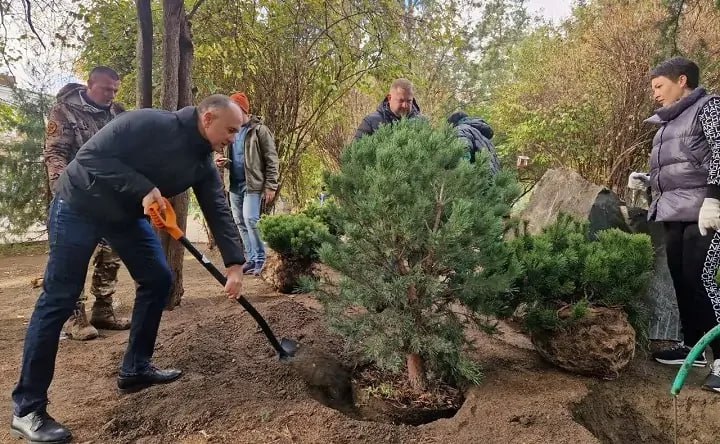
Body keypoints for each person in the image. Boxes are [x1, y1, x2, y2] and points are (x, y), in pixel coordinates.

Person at [11, 95, 247, 443]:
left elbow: (217, 207)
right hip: (79, 202)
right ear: (208, 118)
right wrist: (145, 187)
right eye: (230, 130)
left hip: (123, 216)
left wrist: (235, 265)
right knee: (59, 298)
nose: (233, 138)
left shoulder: (202, 163)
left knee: (157, 279)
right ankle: (28, 409)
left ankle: (135, 368)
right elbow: (90, 157)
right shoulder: (149, 123)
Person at [633, 57, 720, 393]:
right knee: (682, 280)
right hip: (674, 210)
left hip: (705, 210)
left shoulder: (709, 107)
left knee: (701, 279)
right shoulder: (668, 122)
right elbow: (680, 165)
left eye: (660, 86)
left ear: (682, 80)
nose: (655, 93)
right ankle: (695, 347)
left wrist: (715, 198)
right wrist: (647, 180)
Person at [44, 66, 130, 340]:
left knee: (110, 254)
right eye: (107, 89)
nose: (111, 95)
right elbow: (56, 153)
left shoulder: (118, 112)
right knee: (74, 256)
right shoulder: (64, 111)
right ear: (90, 85)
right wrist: (63, 190)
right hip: (76, 196)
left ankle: (103, 310)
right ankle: (74, 317)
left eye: (115, 90)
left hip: (109, 197)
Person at [215, 92, 279, 276]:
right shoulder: (231, 129)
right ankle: (251, 259)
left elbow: (272, 159)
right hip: (234, 184)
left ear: (243, 110)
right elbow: (225, 152)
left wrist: (271, 185)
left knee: (251, 220)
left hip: (253, 184)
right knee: (240, 222)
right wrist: (221, 160)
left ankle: (261, 260)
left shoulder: (259, 131)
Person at [354, 78, 421, 140]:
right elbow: (355, 151)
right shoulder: (370, 122)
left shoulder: (422, 122)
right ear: (389, 98)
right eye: (401, 101)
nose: (405, 105)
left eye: (409, 101)